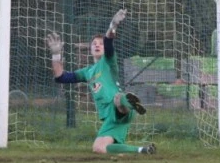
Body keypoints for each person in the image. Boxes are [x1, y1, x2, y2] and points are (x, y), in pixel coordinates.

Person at [46, 9, 156, 155]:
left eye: (100, 43)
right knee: (99, 148)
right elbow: (61, 77)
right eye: (94, 44)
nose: (97, 45)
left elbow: (109, 41)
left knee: (118, 99)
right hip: (109, 118)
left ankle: (128, 103)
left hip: (117, 108)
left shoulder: (108, 61)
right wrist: (56, 54)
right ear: (90, 49)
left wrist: (113, 25)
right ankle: (142, 150)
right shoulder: (87, 72)